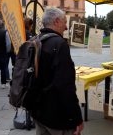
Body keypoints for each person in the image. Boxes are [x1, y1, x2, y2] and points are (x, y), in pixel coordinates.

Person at [31, 7, 83, 135]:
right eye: (65, 22)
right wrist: (76, 118)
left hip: (38, 112)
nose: (66, 27)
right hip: (57, 117)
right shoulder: (59, 44)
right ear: (56, 21)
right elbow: (65, 86)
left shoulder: (35, 40)